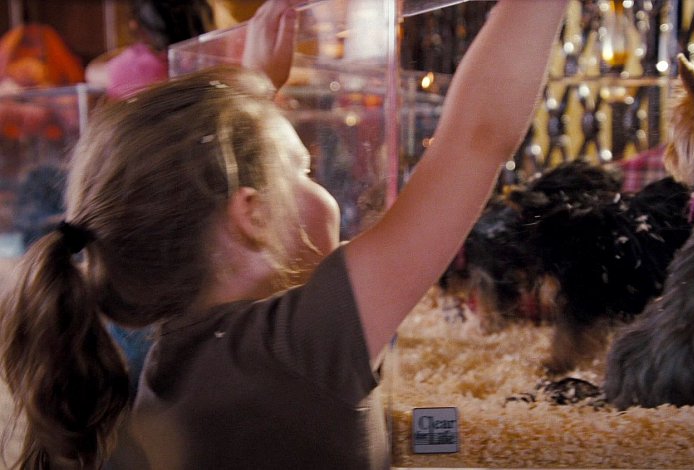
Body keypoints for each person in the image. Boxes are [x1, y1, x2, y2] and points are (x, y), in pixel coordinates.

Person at [0, 0, 568, 467]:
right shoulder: (298, 347)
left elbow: (208, 175)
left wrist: (254, 94)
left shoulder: (175, 354)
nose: (318, 184)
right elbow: (477, 137)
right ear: (252, 215)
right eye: (304, 171)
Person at [85, 0, 212, 100]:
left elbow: (91, 72)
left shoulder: (137, 65)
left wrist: (128, 50)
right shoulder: (207, 58)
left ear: (135, 24)